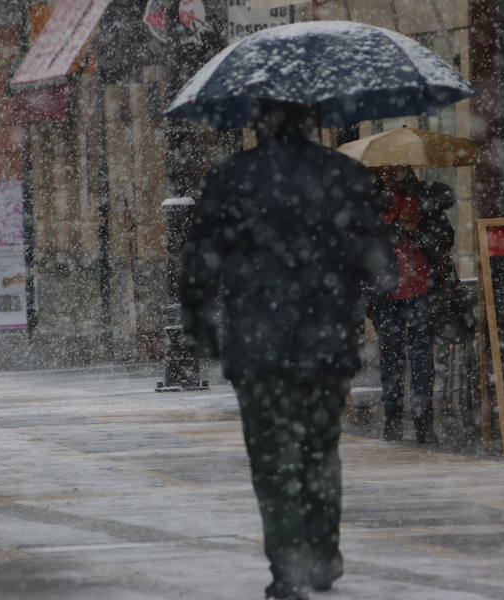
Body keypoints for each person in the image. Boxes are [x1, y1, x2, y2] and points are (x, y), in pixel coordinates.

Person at [179, 101, 397, 600]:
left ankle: (287, 563)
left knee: (272, 458)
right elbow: (382, 268)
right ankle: (323, 554)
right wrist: (344, 293)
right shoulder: (344, 174)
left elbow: (200, 264)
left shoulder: (231, 177)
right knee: (320, 451)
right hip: (325, 343)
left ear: (257, 125)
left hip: (259, 346)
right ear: (311, 122)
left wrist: (200, 327)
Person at [366, 165, 456, 444]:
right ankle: (392, 420)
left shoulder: (426, 199)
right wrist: (393, 227)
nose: (393, 175)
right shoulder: (370, 202)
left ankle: (423, 422)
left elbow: (445, 239)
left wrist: (417, 230)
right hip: (386, 294)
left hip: (422, 290)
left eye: (398, 169)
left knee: (421, 359)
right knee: (390, 358)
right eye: (387, 171)